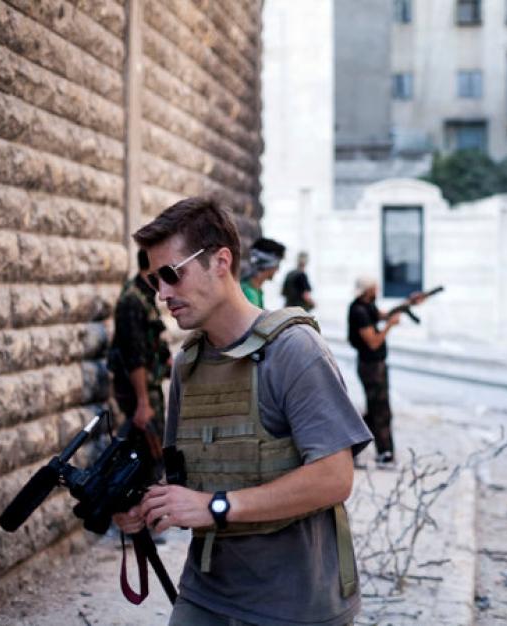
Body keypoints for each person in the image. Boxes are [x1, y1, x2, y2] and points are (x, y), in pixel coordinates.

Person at [113, 197, 371, 626]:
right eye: (156, 279)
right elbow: (187, 479)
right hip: (207, 592)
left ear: (221, 262)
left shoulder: (293, 351)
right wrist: (148, 506)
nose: (163, 294)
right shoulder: (189, 362)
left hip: (296, 604)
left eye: (173, 274)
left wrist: (215, 506)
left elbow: (335, 477)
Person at [106, 249, 171, 483]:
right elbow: (134, 356)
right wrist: (143, 403)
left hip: (148, 389)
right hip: (139, 393)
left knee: (154, 455)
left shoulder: (146, 295)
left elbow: (151, 342)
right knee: (148, 459)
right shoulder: (132, 301)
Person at [346, 277, 424, 467]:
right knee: (380, 412)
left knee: (376, 411)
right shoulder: (359, 311)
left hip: (375, 365)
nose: (378, 291)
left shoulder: (367, 305)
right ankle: (382, 454)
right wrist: (390, 326)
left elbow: (384, 315)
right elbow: (373, 342)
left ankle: (357, 448)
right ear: (367, 291)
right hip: (371, 367)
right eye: (374, 288)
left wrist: (408, 303)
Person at [240, 236, 285, 308]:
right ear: (268, 265)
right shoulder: (250, 294)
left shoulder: (253, 289)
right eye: (277, 265)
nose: (277, 270)